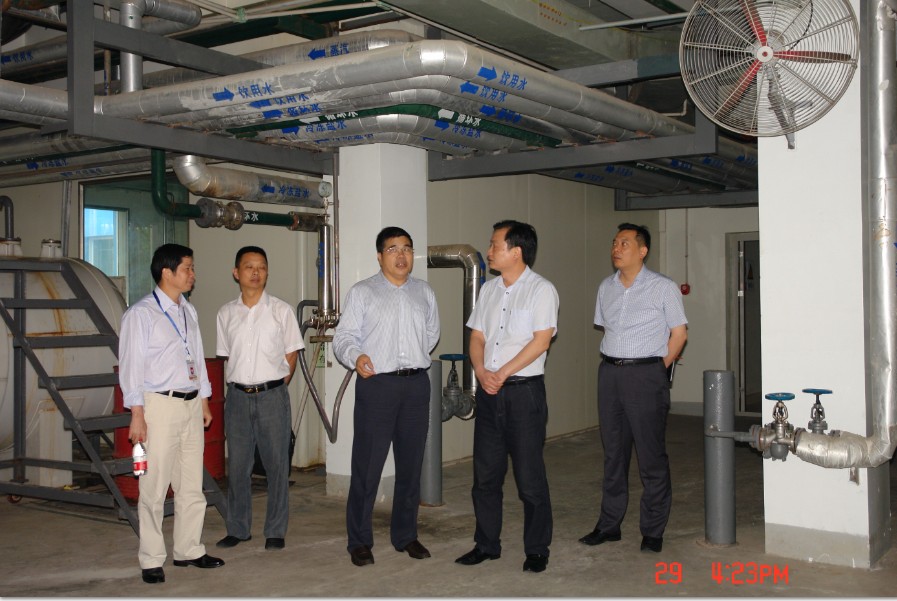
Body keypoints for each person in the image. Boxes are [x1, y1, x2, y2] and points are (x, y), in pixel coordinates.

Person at [332, 226, 440, 567]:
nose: (401, 255)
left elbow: (432, 334)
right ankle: (359, 541)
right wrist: (356, 356)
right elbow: (343, 337)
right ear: (380, 256)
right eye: (393, 249)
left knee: (411, 465)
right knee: (367, 467)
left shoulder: (424, 292)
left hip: (416, 386)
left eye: (406, 248)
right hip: (377, 385)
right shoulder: (363, 292)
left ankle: (406, 535)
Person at [455, 220, 559, 574]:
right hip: (489, 393)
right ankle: (486, 544)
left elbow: (541, 342)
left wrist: (503, 373)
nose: (488, 251)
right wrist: (481, 370)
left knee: (529, 478)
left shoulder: (541, 290)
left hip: (524, 394)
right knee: (485, 476)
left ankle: (537, 549)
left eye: (494, 245)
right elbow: (477, 336)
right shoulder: (488, 290)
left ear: (516, 251)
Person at [579, 223, 687, 554]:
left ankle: (652, 530)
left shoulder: (663, 287)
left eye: (624, 243)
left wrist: (656, 369)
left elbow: (679, 334)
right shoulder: (606, 287)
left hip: (646, 375)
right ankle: (609, 525)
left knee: (650, 456)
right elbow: (607, 329)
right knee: (614, 453)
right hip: (610, 374)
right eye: (614, 242)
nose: (616, 248)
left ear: (642, 251)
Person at [119, 243, 224, 585]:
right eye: (187, 268)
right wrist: (137, 413)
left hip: (190, 404)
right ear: (167, 272)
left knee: (191, 483)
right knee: (153, 485)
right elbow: (131, 367)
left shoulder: (188, 310)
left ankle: (189, 549)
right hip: (158, 406)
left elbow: (197, 356)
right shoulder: (141, 314)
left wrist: (204, 399)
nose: (193, 275)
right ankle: (151, 558)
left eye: (192, 268)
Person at [215, 246, 303, 552]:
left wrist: (274, 386)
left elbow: (291, 354)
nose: (256, 272)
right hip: (237, 398)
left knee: (277, 465)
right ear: (236, 273)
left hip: (272, 397)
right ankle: (238, 529)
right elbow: (227, 356)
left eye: (261, 267)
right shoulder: (226, 313)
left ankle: (275, 530)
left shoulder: (281, 311)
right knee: (238, 467)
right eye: (249, 267)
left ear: (267, 272)